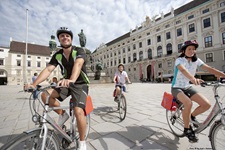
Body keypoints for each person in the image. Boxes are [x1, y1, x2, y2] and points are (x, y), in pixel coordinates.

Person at [25, 27, 90, 150]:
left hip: (80, 84)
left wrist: (71, 80)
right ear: (59, 40)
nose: (65, 37)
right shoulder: (58, 55)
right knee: (45, 95)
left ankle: (82, 142)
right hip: (65, 83)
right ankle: (62, 114)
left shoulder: (78, 50)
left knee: (78, 111)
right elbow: (49, 69)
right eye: (62, 36)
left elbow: (78, 64)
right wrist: (34, 85)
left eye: (67, 36)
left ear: (71, 39)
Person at [171, 40, 225, 142]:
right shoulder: (179, 60)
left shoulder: (196, 60)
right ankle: (187, 129)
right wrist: (193, 79)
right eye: (189, 49)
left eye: (193, 49)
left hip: (187, 87)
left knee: (206, 104)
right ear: (183, 51)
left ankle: (190, 116)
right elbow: (183, 70)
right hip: (176, 87)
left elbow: (208, 68)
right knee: (188, 103)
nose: (192, 51)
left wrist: (222, 74)